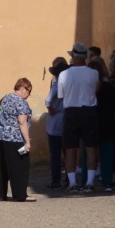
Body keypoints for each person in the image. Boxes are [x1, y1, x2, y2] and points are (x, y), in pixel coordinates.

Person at [57, 43, 102, 192]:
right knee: (91, 147)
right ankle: (89, 182)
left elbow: (61, 95)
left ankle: (72, 183)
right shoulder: (93, 73)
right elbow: (95, 90)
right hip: (89, 111)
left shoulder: (64, 74)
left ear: (73, 57)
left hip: (71, 111)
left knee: (70, 148)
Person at [0, 78, 36, 202]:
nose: (29, 94)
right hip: (15, 139)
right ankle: (20, 194)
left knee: (2, 167)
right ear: (23, 89)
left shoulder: (5, 98)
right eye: (29, 91)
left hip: (0, 137)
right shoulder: (21, 102)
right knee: (19, 166)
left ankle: (0, 194)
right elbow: (22, 122)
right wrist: (27, 141)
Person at [93, 57, 115, 190]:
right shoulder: (109, 87)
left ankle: (88, 181)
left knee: (90, 151)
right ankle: (107, 180)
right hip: (107, 122)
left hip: (92, 122)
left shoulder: (89, 88)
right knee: (107, 152)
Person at [44, 56, 68, 189]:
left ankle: (56, 180)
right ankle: (69, 179)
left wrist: (51, 110)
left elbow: (48, 101)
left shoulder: (56, 86)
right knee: (68, 152)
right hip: (66, 118)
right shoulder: (68, 85)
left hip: (56, 121)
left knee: (55, 154)